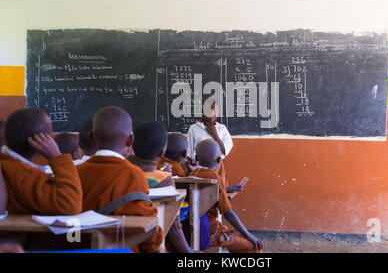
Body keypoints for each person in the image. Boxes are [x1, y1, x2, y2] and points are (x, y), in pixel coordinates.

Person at [77, 106, 163, 253]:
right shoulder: (133, 174)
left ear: (91, 138)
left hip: (76, 248)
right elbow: (146, 225)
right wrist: (155, 247)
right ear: (130, 140)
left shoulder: (74, 172)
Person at [0, 108, 82, 215]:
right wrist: (57, 156)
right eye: (49, 135)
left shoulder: (6, 162)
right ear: (40, 141)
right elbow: (70, 205)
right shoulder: (23, 175)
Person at [128, 122, 193, 253]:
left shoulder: (122, 171)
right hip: (151, 244)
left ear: (131, 143)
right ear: (162, 152)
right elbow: (174, 228)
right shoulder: (164, 179)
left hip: (119, 240)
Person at [189, 139, 263, 253]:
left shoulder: (192, 174)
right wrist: (249, 235)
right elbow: (228, 213)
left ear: (197, 158)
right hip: (209, 232)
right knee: (254, 247)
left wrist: (226, 189)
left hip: (190, 231)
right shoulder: (214, 177)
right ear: (219, 160)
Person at [187, 102, 243, 194]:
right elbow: (189, 152)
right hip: (198, 167)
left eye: (214, 111)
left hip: (217, 166)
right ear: (203, 111)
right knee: (199, 193)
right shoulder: (194, 128)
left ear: (217, 113)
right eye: (209, 110)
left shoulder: (221, 128)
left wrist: (214, 134)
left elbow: (225, 151)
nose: (211, 113)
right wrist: (192, 163)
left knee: (220, 193)